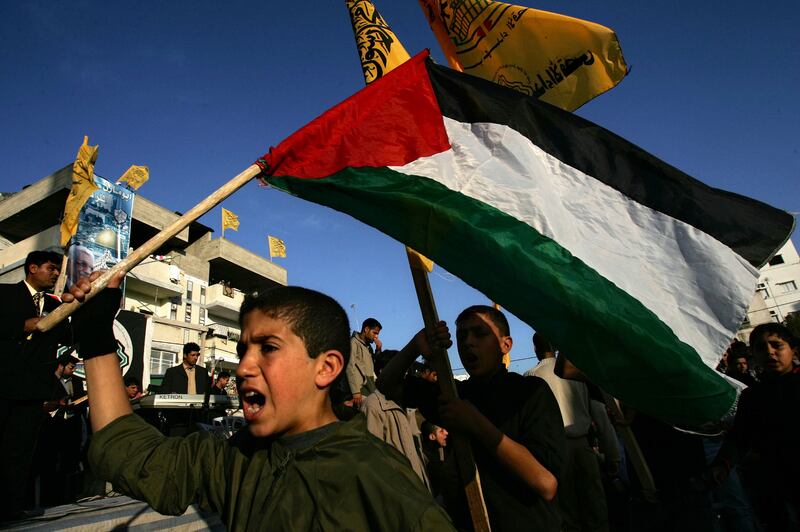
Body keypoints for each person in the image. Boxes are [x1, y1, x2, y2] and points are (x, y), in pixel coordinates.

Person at [66, 275, 454, 531]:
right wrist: (98, 340)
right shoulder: (234, 457)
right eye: (242, 350)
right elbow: (128, 452)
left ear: (327, 368)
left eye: (268, 348)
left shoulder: (375, 475)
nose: (244, 367)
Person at [378, 305, 566, 531]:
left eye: (480, 333)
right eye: (462, 336)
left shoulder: (530, 392)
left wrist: (475, 423)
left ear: (506, 345)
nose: (468, 342)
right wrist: (415, 346)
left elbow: (545, 483)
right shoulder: (454, 394)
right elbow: (386, 385)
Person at [0, 250, 71, 520]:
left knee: (20, 452)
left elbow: (69, 335)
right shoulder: (5, 294)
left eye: (57, 270)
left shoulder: (55, 305)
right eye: (51, 268)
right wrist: (21, 326)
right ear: (32, 268)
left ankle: (12, 508)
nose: (55, 274)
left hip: (32, 392)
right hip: (3, 385)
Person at [710, 323, 800, 531]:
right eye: (761, 348)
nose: (770, 352)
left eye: (776, 345)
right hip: (777, 483)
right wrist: (722, 465)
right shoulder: (752, 397)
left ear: (792, 349)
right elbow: (739, 437)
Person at [527, 333, 616, 531]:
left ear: (535, 349)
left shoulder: (532, 377)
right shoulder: (576, 373)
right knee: (596, 509)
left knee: (567, 513)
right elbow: (599, 414)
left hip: (556, 451)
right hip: (584, 448)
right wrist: (613, 456)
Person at [346, 317, 382, 409]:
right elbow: (349, 367)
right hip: (361, 389)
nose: (376, 336)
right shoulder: (353, 343)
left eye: (377, 334)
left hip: (371, 386)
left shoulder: (368, 347)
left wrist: (378, 350)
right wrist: (355, 392)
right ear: (366, 329)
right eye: (375, 333)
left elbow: (374, 365)